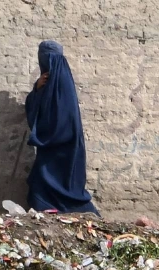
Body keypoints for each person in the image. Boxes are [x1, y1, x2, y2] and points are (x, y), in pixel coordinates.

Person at [25, 41, 98, 215]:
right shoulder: (46, 83)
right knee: (39, 181)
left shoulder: (63, 82)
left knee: (54, 180)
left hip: (63, 145)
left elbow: (65, 117)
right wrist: (37, 89)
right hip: (49, 145)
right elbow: (35, 107)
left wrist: (46, 137)